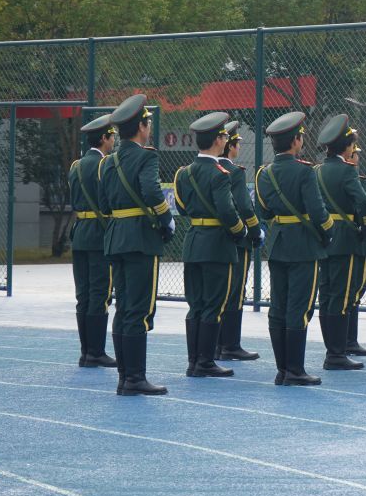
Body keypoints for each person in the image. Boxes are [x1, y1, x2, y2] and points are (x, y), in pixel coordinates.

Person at [99, 94, 174, 397]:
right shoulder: (147, 157)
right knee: (139, 310)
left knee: (123, 308)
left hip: (116, 237)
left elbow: (104, 204)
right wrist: (166, 219)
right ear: (141, 127)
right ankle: (135, 378)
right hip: (141, 238)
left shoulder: (108, 162)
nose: (149, 129)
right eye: (148, 124)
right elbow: (152, 191)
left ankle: (124, 377)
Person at [256, 111, 333, 385]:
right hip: (303, 245)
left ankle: (282, 370)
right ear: (296, 141)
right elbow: (317, 211)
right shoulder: (304, 171)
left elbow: (263, 212)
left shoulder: (264, 174)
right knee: (299, 307)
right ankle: (295, 370)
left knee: (278, 306)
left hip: (278, 243)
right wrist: (328, 232)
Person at [174, 112, 246, 379]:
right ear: (218, 140)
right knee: (214, 305)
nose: (226, 140)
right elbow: (227, 211)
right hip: (217, 244)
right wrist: (239, 231)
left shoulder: (185, 173)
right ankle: (205, 362)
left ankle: (194, 361)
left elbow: (182, 207)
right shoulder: (220, 174)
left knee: (196, 305)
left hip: (194, 241)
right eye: (224, 136)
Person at [314, 113, 366, 371]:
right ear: (347, 146)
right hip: (346, 239)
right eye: (353, 144)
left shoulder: (317, 170)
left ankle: (334, 349)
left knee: (327, 295)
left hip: (326, 238)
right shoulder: (346, 170)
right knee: (343, 297)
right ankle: (336, 354)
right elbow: (363, 203)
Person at [68, 113, 117, 368]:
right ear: (104, 138)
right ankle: (96, 352)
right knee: (100, 294)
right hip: (99, 234)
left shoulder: (76, 166)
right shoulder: (104, 165)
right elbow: (108, 200)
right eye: (112, 137)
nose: (114, 141)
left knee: (84, 295)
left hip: (80, 233)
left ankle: (86, 352)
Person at [216, 121, 262, 362]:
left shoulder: (203, 168)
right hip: (237, 240)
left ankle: (215, 345)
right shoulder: (234, 172)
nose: (238, 148)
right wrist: (254, 232)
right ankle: (231, 345)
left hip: (213, 240)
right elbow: (244, 207)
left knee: (216, 292)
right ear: (229, 145)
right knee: (235, 292)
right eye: (236, 143)